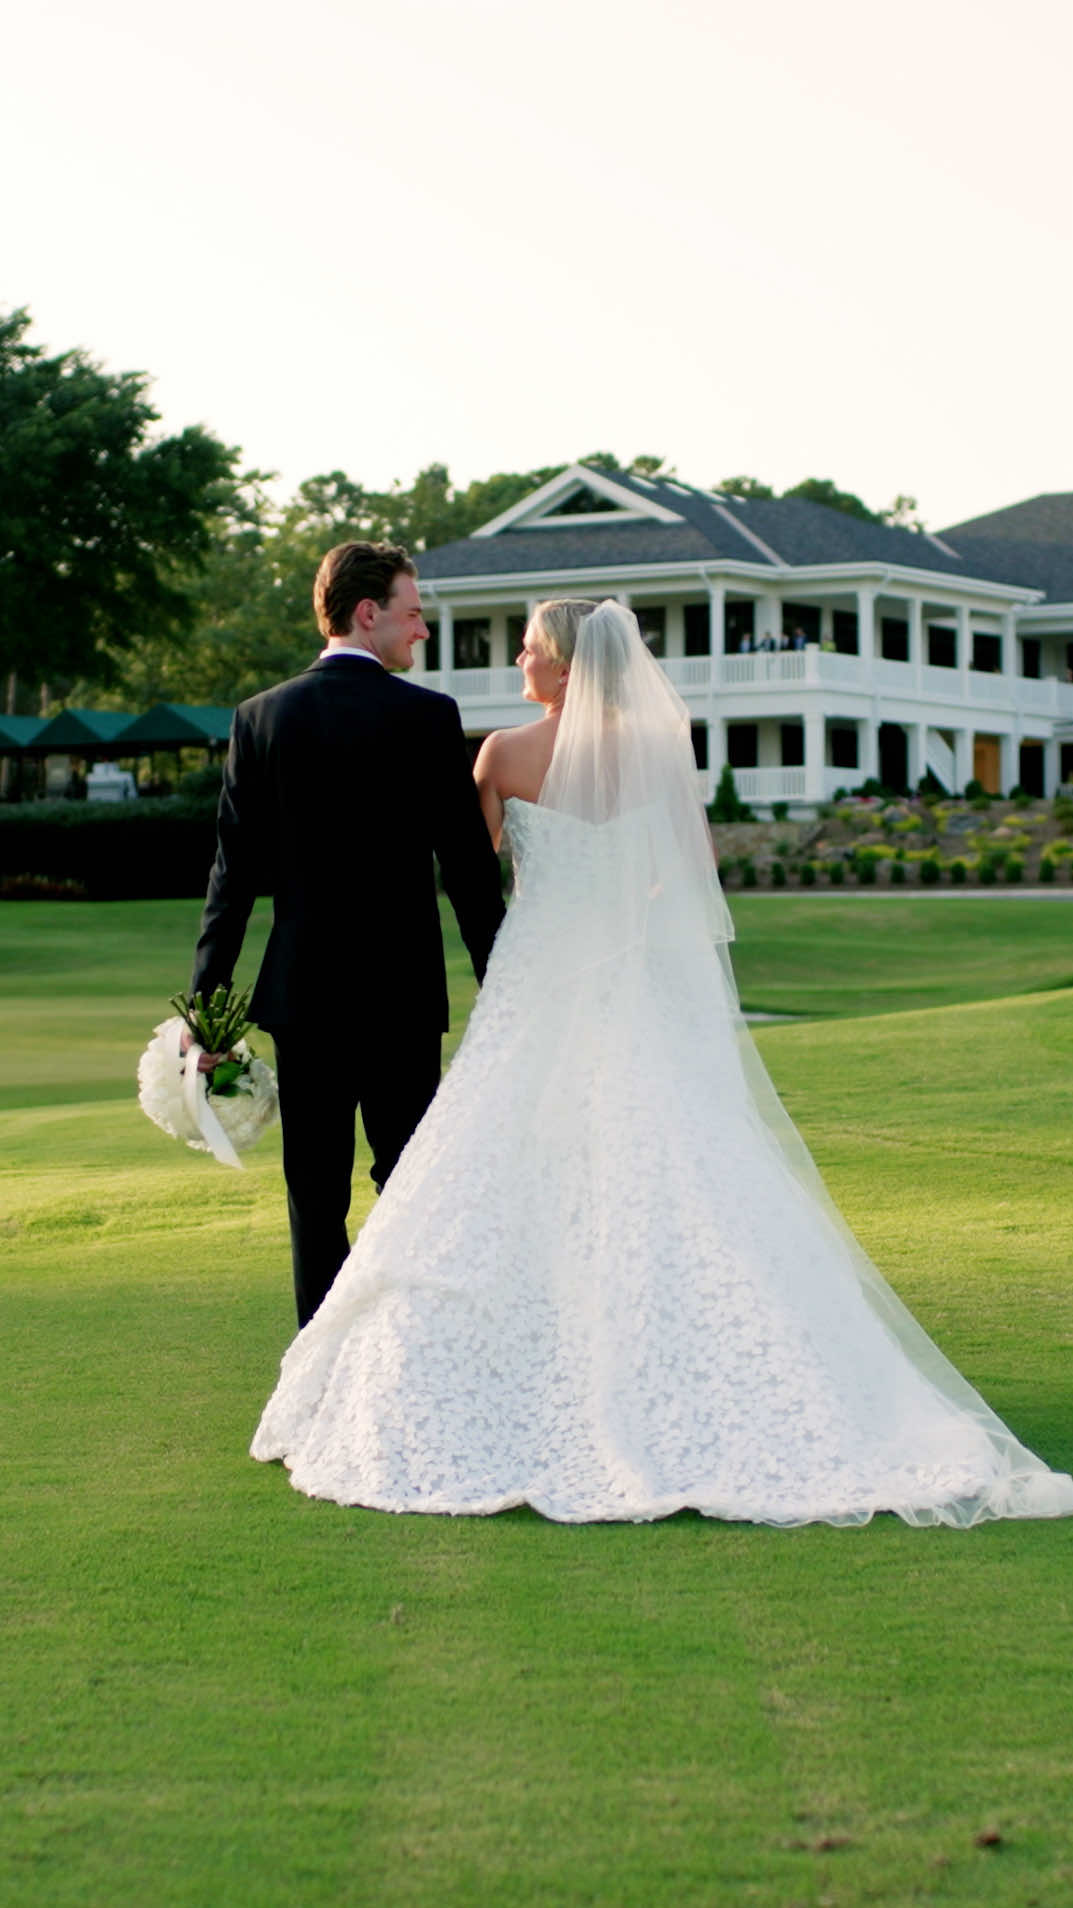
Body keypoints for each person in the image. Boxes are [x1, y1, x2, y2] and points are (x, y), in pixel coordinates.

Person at [251, 599, 1073, 1529]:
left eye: (527, 648)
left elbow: (465, 868)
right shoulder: (655, 756)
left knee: (503, 1168)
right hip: (628, 982)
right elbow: (680, 878)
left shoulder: (504, 756)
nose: (517, 658)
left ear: (561, 666)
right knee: (667, 1158)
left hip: (538, 979)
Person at [188, 541, 505, 1328]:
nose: (421, 631)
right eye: (413, 613)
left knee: (314, 1196)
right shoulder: (429, 718)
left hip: (304, 999)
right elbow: (468, 873)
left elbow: (232, 880)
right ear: (368, 614)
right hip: (402, 997)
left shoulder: (259, 718)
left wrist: (205, 1009)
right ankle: (405, 1369)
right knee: (409, 1188)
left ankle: (318, 1384)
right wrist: (504, 984)